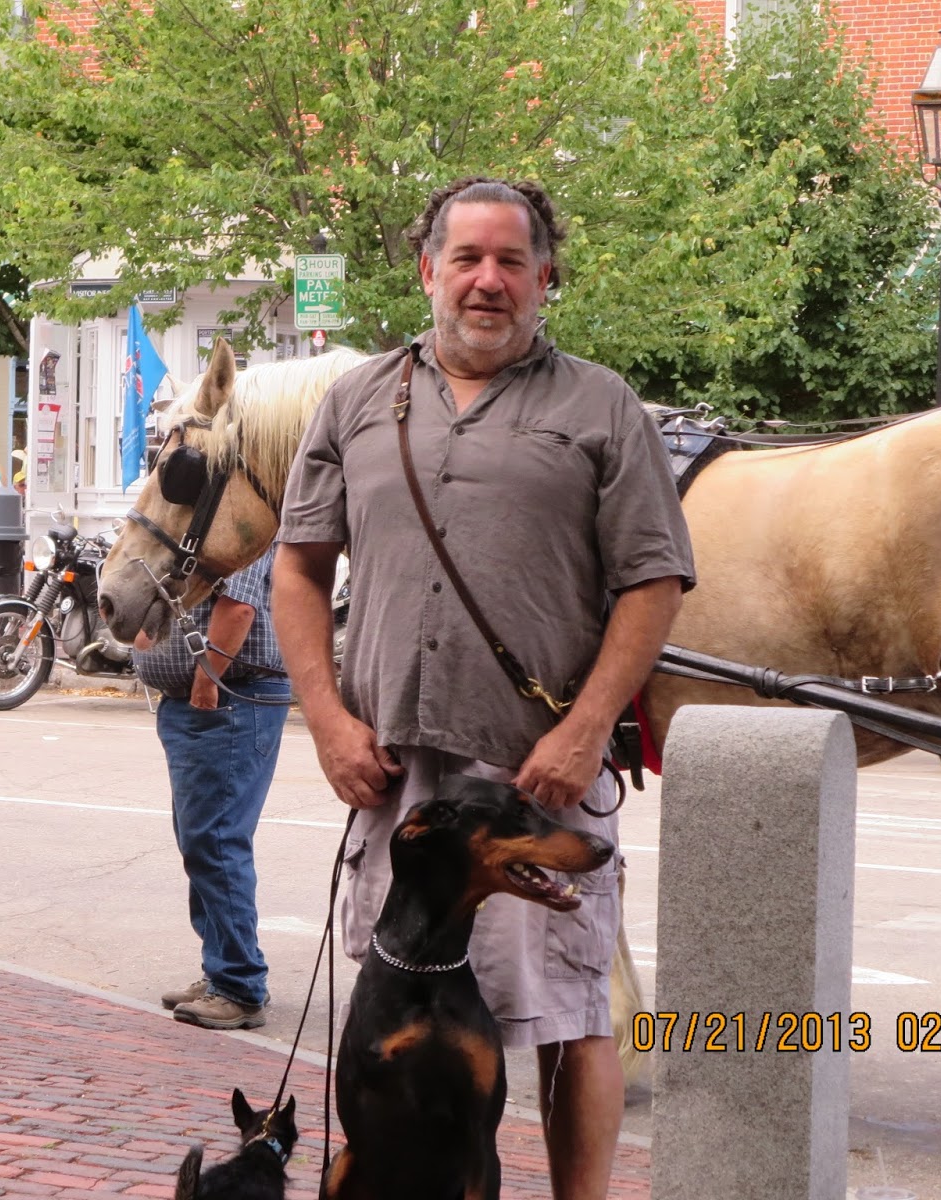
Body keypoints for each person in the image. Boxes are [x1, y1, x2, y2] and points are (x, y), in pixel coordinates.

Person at [271, 177, 695, 1200]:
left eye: (511, 262)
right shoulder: (357, 399)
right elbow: (297, 565)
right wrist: (326, 720)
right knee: (388, 1030)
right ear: (428, 271)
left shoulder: (600, 406)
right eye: (466, 259)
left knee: (565, 1015)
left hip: (531, 778)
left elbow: (655, 577)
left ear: (545, 278)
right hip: (395, 782)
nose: (488, 282)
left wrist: (590, 726)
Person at [133, 547, 290, 1031]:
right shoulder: (214, 531)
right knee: (202, 840)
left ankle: (239, 986)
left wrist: (206, 678)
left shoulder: (242, 533)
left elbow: (238, 607)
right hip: (209, 702)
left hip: (227, 700)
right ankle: (222, 968)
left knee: (215, 840)